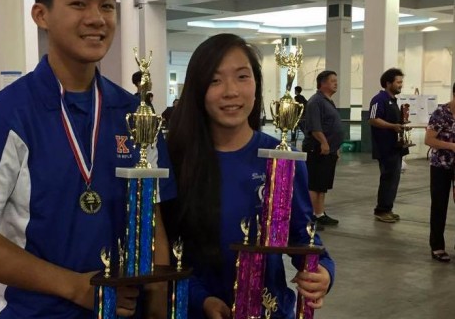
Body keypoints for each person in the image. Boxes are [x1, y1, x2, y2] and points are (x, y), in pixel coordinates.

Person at [0, 0, 175, 318]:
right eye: (78, 4)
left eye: (107, 6)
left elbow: (153, 219)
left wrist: (161, 308)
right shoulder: (4, 117)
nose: (96, 19)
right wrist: (73, 286)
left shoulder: (135, 115)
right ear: (42, 15)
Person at [163, 33, 334, 319]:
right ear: (198, 89)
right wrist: (201, 300)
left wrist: (324, 272)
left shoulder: (282, 159)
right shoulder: (177, 160)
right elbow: (165, 252)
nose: (231, 91)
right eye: (215, 80)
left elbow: (303, 236)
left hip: (268, 310)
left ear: (256, 84)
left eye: (242, 77)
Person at [301, 71, 343, 228]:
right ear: (323, 83)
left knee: (322, 184)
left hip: (329, 150)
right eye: (332, 81)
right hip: (317, 149)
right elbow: (315, 127)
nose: (336, 83)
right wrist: (324, 143)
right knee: (314, 184)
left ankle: (320, 213)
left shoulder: (328, 101)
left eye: (336, 80)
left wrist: (335, 147)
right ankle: (311, 215)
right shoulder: (315, 102)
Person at [368, 68, 408, 223]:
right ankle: (381, 210)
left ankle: (388, 208)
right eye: (398, 82)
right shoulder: (379, 99)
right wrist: (393, 126)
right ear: (388, 83)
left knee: (393, 179)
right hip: (385, 148)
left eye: (401, 82)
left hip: (395, 147)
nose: (400, 85)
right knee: (388, 179)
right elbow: (373, 119)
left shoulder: (393, 101)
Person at [424, 82, 455, 262]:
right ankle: (437, 246)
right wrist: (450, 146)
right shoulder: (441, 113)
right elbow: (429, 140)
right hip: (440, 166)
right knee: (439, 205)